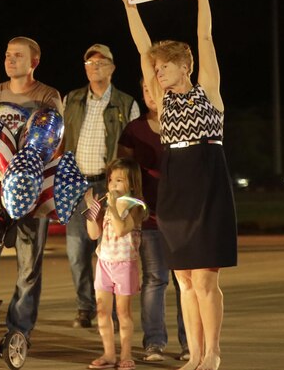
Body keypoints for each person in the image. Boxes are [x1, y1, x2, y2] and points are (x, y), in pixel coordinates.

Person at [119, 0, 237, 370]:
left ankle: (212, 352)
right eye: (155, 69)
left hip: (206, 181)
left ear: (183, 66)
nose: (158, 72)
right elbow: (141, 47)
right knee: (184, 279)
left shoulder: (209, 92)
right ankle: (196, 356)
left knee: (206, 278)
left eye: (164, 66)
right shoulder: (162, 99)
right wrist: (131, 6)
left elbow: (205, 35)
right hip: (174, 186)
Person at [0, 36, 63, 341]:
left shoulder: (47, 95)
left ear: (34, 61)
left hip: (30, 191)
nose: (10, 60)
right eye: (7, 54)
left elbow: (55, 141)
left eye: (18, 55)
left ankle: (19, 330)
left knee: (28, 264)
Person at [62, 43, 139, 328]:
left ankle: (117, 311)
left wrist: (123, 187)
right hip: (77, 183)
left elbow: (131, 149)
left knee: (112, 250)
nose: (96, 67)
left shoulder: (126, 103)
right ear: (85, 68)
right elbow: (59, 140)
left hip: (109, 185)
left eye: (102, 62)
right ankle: (85, 307)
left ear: (113, 67)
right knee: (76, 250)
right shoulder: (71, 99)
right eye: (90, 63)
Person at [117, 79, 188, 362]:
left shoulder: (184, 124)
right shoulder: (134, 130)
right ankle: (154, 343)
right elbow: (124, 175)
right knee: (155, 280)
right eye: (145, 90)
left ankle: (190, 342)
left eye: (155, 89)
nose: (150, 95)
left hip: (183, 217)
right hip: (150, 218)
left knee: (186, 282)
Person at [83, 158, 145, 370]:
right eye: (110, 180)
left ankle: (126, 354)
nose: (112, 185)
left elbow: (121, 230)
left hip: (125, 265)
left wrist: (113, 207)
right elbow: (93, 234)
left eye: (119, 180)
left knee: (123, 313)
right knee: (102, 311)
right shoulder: (107, 207)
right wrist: (91, 210)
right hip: (104, 263)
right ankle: (109, 353)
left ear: (132, 184)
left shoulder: (136, 206)